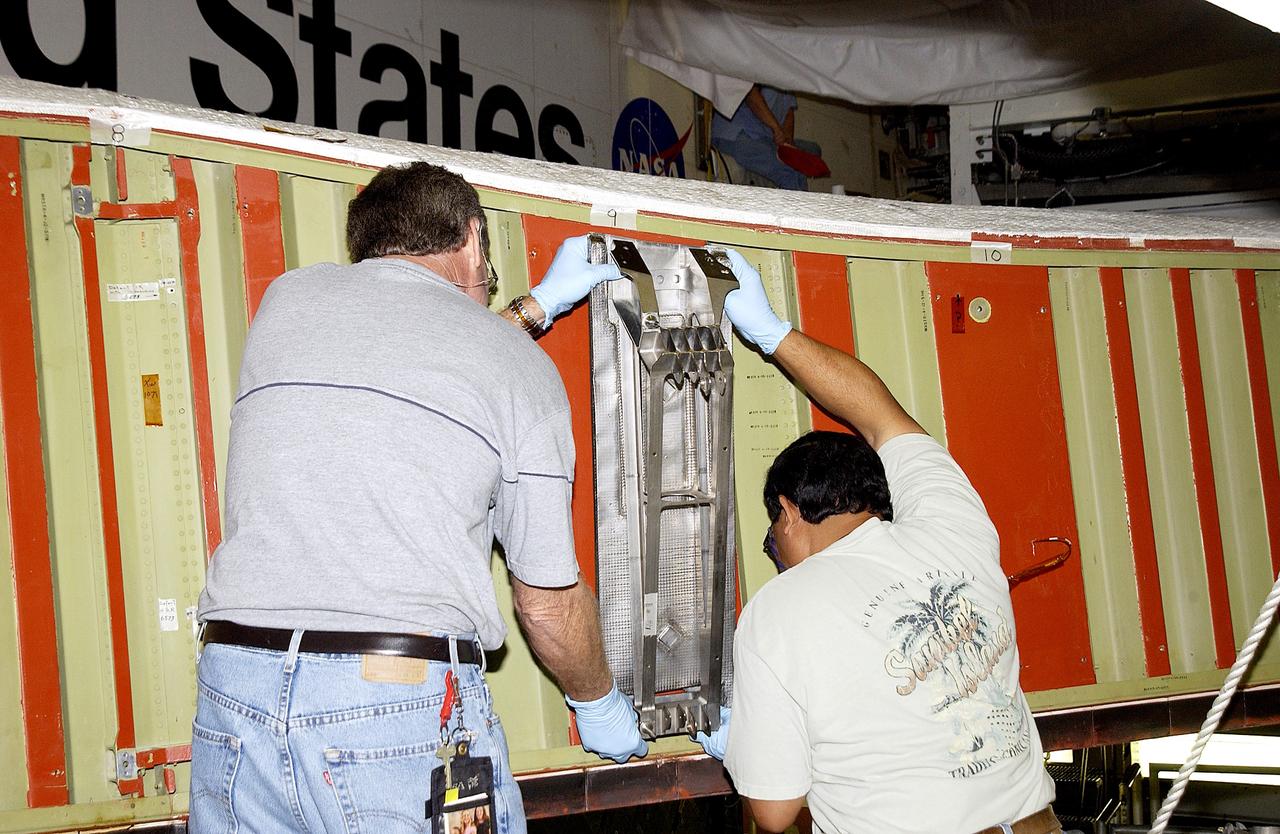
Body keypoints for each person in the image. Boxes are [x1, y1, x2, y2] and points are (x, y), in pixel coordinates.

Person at [190, 162, 647, 834]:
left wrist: (532, 308)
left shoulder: (287, 302)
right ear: (470, 238)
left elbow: (418, 350)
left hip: (236, 693)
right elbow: (546, 605)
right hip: (392, 705)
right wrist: (599, 699)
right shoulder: (518, 368)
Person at [696, 251, 1060, 834]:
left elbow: (774, 811)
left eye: (772, 542)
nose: (778, 558)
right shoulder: (956, 528)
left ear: (788, 513)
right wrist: (774, 334)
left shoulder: (777, 614)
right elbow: (880, 417)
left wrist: (749, 747)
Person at [711, 84, 824, 191]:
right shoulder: (761, 67)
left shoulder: (786, 79)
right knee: (789, 172)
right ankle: (796, 209)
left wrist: (788, 146)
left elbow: (789, 114)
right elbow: (752, 96)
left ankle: (798, 204)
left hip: (762, 137)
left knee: (812, 151)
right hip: (735, 133)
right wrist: (776, 129)